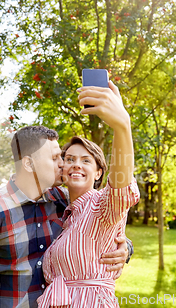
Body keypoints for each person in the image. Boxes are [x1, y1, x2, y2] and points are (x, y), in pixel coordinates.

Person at [0, 125, 133, 308]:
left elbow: (97, 228)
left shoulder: (63, 201)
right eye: (55, 158)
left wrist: (124, 248)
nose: (63, 164)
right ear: (29, 163)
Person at [36, 81, 139, 308]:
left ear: (99, 172)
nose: (76, 165)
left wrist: (122, 126)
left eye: (85, 161)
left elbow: (120, 185)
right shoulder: (63, 211)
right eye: (70, 159)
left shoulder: (102, 206)